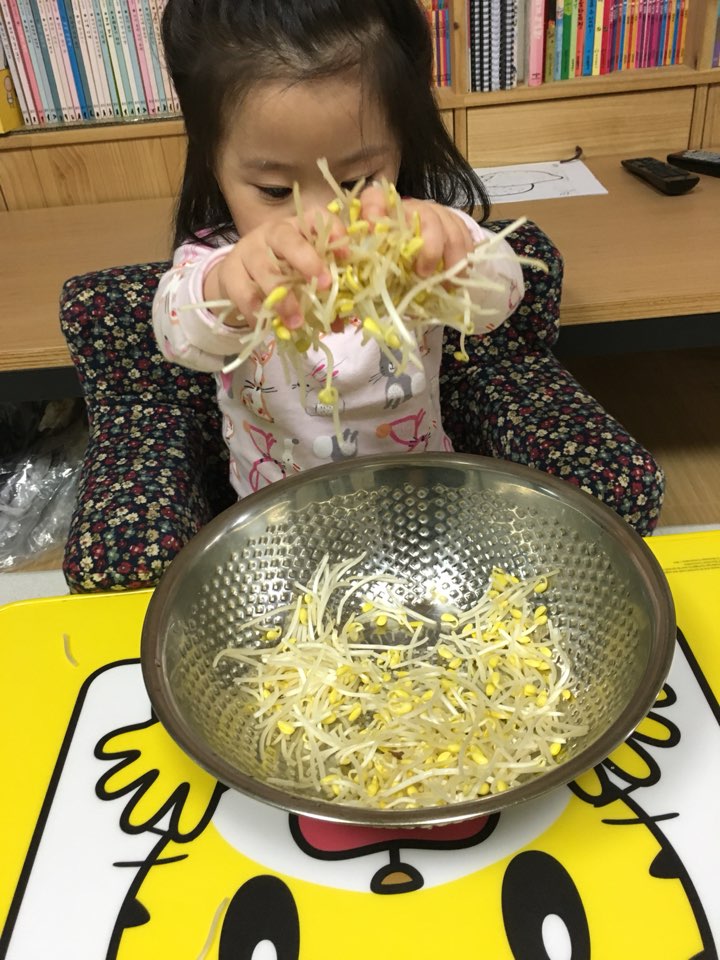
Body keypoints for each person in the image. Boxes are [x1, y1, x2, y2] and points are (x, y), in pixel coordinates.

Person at [153, 0, 525, 498]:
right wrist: (226, 289)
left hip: (416, 492)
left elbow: (500, 298)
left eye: (355, 181)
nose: (321, 222)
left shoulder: (414, 237)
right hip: (281, 511)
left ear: (401, 146)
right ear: (213, 165)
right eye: (275, 191)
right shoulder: (219, 261)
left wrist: (458, 257)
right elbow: (177, 333)